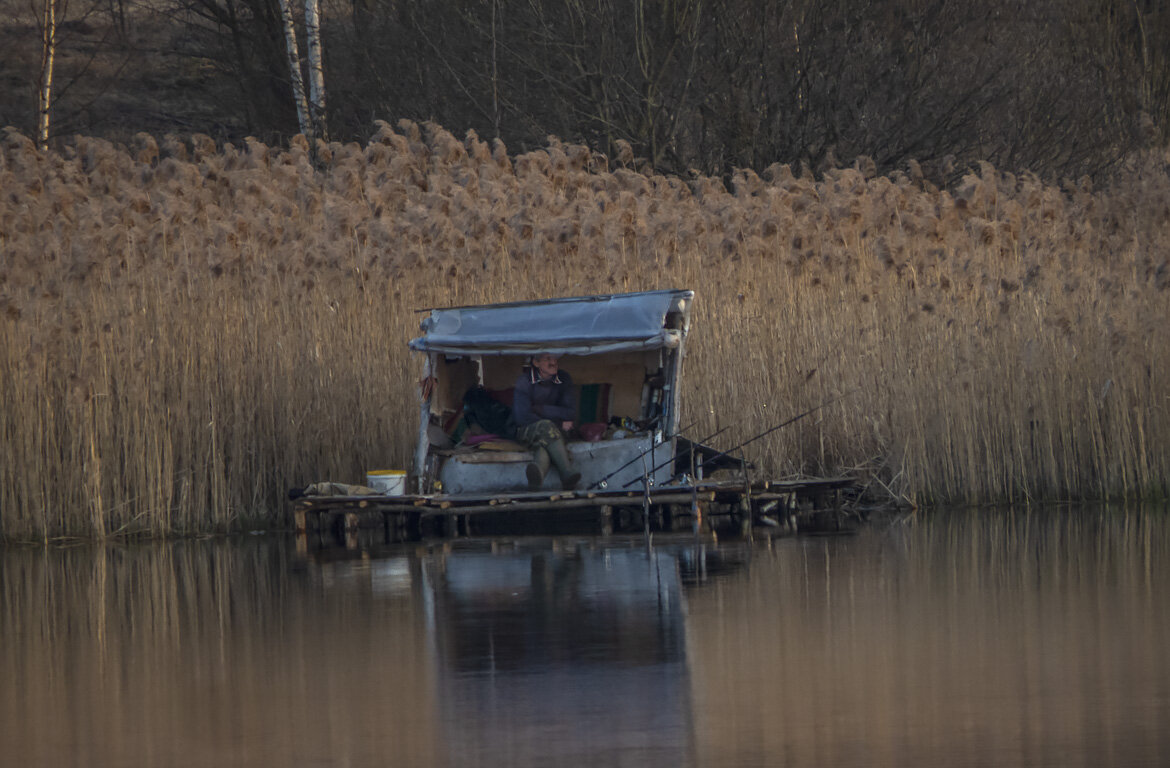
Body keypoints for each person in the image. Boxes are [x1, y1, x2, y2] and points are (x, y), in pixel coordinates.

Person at [513, 352, 581, 490]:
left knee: (543, 445)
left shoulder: (564, 378)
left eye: (555, 358)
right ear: (536, 363)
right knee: (547, 427)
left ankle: (537, 477)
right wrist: (556, 421)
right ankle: (566, 472)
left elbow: (570, 412)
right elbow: (522, 417)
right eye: (547, 359)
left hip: (558, 430)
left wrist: (541, 409)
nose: (553, 362)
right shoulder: (524, 381)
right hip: (527, 429)